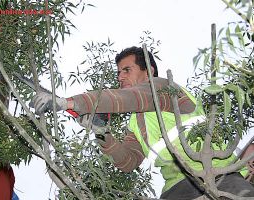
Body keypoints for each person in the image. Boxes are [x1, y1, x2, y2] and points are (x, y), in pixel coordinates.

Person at [31, 46, 254, 199]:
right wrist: (101, 132)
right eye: (118, 72)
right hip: (177, 190)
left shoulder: (164, 88)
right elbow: (128, 162)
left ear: (149, 71)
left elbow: (127, 99)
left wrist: (68, 102)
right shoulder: (136, 123)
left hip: (221, 177)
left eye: (127, 70)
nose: (120, 77)